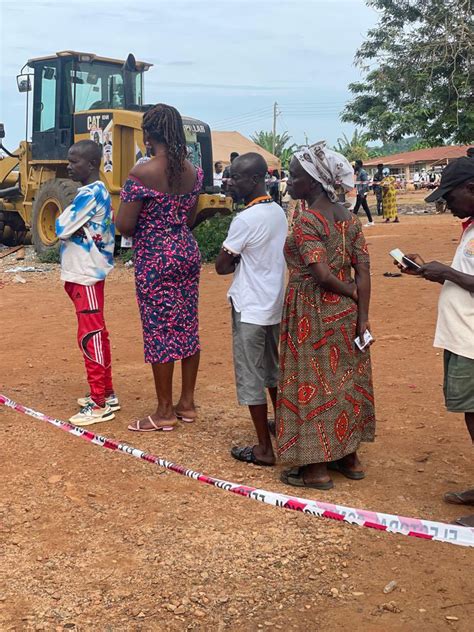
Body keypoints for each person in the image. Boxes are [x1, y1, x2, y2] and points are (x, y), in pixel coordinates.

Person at [277, 141, 375, 490]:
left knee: (310, 383)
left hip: (312, 308)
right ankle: (349, 457)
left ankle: (315, 469)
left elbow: (319, 272)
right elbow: (362, 270)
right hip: (347, 313)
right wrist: (361, 313)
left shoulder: (307, 220)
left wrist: (347, 291)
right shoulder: (350, 218)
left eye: (295, 176)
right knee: (345, 380)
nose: (289, 182)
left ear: (315, 181)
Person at [117, 103, 205, 432]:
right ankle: (187, 403)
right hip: (185, 251)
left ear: (150, 134)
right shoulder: (192, 171)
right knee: (186, 324)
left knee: (159, 330)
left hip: (155, 256)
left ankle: (164, 412)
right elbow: (190, 218)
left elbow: (125, 225)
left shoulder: (143, 172)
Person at [396, 157, 474, 526]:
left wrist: (446, 271)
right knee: (471, 416)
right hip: (462, 338)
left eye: (450, 196)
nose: (446, 204)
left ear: (471, 188)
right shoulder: (470, 226)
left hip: (472, 342)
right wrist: (431, 273)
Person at [215, 153, 288, 466]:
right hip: (273, 303)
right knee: (272, 372)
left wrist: (237, 258)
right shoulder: (277, 213)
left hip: (249, 306)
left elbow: (221, 265)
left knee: (251, 378)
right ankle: (285, 430)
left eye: (238, 177)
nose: (231, 182)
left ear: (255, 179)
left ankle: (263, 448)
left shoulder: (244, 219)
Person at [55, 140, 118, 425]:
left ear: (91, 164)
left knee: (90, 335)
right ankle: (106, 392)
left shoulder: (90, 194)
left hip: (86, 275)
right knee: (97, 333)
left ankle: (98, 403)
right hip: (85, 273)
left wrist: (67, 222)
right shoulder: (96, 191)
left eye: (74, 161)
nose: (69, 166)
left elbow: (60, 227)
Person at [353, 160, 374, 226]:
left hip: (362, 192)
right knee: (365, 207)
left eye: (356, 164)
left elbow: (365, 183)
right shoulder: (357, 172)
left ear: (359, 165)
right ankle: (371, 221)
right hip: (359, 192)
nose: (355, 166)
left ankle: (352, 222)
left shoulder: (363, 172)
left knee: (356, 208)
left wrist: (361, 193)